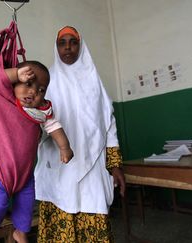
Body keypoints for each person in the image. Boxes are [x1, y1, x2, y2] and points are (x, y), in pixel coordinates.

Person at [35, 26, 126, 242]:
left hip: (92, 165)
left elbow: (108, 125)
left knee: (93, 208)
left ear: (80, 45)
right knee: (62, 211)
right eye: (62, 42)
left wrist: (115, 165)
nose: (67, 47)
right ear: (56, 47)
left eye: (73, 42)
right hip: (59, 164)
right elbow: (37, 122)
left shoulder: (95, 82)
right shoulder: (46, 82)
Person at [0, 60, 73, 243]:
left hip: (25, 175)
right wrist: (17, 73)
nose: (34, 91)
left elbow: (55, 127)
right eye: (28, 83)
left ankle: (21, 233)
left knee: (26, 210)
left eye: (41, 90)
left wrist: (64, 147)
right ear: (14, 84)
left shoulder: (41, 111)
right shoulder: (2, 100)